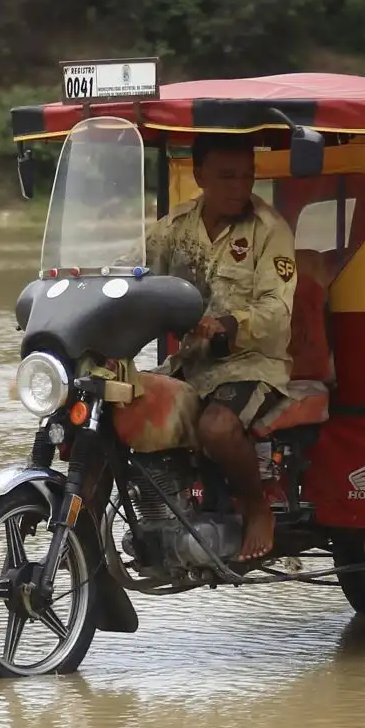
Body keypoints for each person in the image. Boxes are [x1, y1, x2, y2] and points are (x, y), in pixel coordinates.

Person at [145, 132, 298, 562]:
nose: (239, 186)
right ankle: (91, 545)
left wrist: (228, 324)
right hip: (189, 364)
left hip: (251, 364)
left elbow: (277, 312)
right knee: (114, 412)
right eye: (226, 176)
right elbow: (138, 284)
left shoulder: (270, 232)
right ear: (199, 176)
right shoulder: (172, 230)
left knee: (216, 427)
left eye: (247, 176)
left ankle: (256, 509)